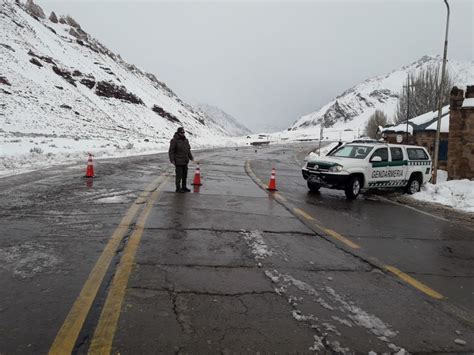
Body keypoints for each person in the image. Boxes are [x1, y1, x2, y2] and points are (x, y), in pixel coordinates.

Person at [169, 127, 194, 193]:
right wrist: (172, 160)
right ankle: (178, 188)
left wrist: (191, 157)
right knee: (179, 175)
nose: (183, 134)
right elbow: (171, 151)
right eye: (181, 132)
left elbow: (188, 150)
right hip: (178, 161)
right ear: (178, 132)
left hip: (185, 161)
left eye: (183, 132)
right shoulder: (174, 140)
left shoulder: (186, 140)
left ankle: (184, 187)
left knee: (184, 175)